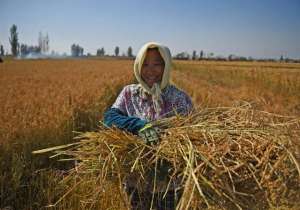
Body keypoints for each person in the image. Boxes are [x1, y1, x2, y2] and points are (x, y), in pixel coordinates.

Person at [103, 42, 193, 209]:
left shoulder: (179, 98)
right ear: (137, 66)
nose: (150, 70)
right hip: (135, 181)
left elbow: (189, 138)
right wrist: (138, 125)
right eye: (144, 64)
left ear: (166, 66)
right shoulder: (129, 93)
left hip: (168, 185)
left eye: (157, 64)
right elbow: (109, 118)